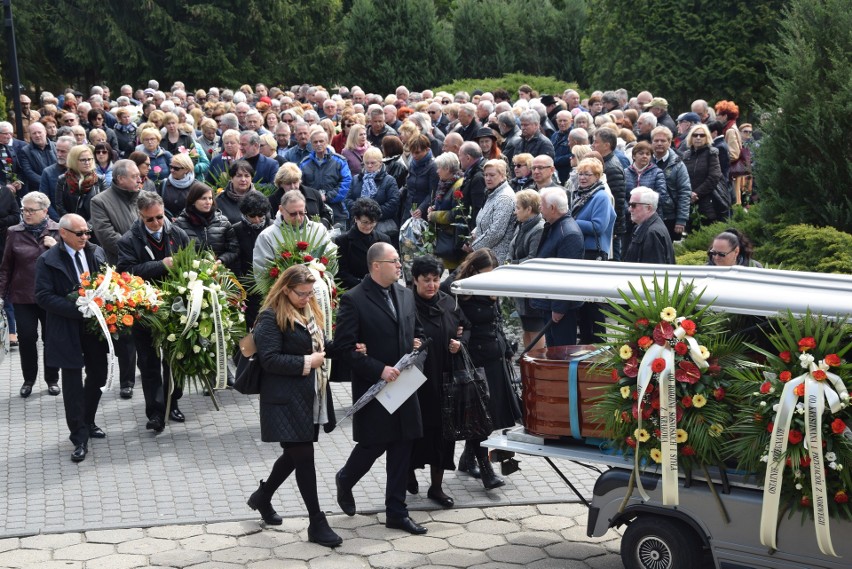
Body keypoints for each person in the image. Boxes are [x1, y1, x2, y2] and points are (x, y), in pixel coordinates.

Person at [334, 242, 428, 535]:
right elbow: (344, 348)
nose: (400, 265)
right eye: (394, 261)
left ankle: (396, 512)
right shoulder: (354, 299)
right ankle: (346, 479)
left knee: (402, 446)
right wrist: (378, 368)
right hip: (376, 387)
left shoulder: (405, 294)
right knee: (374, 444)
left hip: (405, 386)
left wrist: (418, 346)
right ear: (376, 266)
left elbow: (420, 332)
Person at [246, 265, 343, 547]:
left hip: (307, 397)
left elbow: (320, 343)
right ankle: (317, 521)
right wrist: (307, 362)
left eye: (310, 292)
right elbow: (270, 360)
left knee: (294, 455)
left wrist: (345, 346)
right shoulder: (270, 317)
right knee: (304, 456)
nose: (307, 297)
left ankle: (262, 497)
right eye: (301, 293)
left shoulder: (306, 310)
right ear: (286, 289)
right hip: (284, 401)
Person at [35, 213, 108, 462]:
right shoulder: (48, 260)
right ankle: (78, 436)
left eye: (88, 232)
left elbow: (108, 281)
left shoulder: (96, 252)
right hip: (67, 328)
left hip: (94, 327)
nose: (85, 237)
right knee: (73, 382)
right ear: (63, 233)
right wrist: (78, 308)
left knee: (99, 373)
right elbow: (43, 296)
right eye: (80, 234)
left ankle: (87, 420)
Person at [442, 249, 517, 489]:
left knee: (487, 415)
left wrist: (506, 347)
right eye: (487, 274)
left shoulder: (490, 289)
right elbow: (448, 313)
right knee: (479, 415)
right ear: (474, 270)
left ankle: (467, 458)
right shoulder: (458, 289)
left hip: (494, 359)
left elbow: (498, 321)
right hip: (474, 360)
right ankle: (485, 470)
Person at [117, 191, 191, 432]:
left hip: (175, 306)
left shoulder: (177, 233)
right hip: (144, 309)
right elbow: (126, 271)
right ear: (140, 216)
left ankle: (173, 403)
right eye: (150, 219)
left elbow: (191, 262)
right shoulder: (129, 240)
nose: (157, 223)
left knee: (175, 359)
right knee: (149, 363)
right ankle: (156, 413)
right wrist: (160, 266)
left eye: (160, 217)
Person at [408, 255, 470, 508]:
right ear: (415, 280)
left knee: (444, 437)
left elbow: (466, 327)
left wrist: (460, 342)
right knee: (413, 433)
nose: (432, 285)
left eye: (436, 280)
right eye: (426, 280)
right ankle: (406, 474)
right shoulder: (406, 305)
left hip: (445, 381)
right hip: (416, 383)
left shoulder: (449, 303)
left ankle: (436, 486)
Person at [89, 159, 143, 399]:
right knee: (126, 330)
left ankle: (150, 370)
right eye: (134, 176)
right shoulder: (100, 201)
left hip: (148, 269)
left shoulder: (144, 194)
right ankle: (127, 380)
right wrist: (137, 250)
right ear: (120, 179)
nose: (139, 179)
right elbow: (106, 236)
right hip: (121, 273)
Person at [0, 192, 60, 398]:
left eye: (31, 210)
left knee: (51, 338)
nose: (26, 213)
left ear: (45, 211)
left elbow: (72, 261)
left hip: (51, 296)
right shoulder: (14, 232)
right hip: (22, 295)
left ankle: (52, 379)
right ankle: (29, 379)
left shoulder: (58, 230)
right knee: (26, 338)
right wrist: (1, 295)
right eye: (24, 209)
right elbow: (6, 267)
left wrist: (57, 247)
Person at [530, 187, 584, 346]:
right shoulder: (556, 226)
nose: (539, 208)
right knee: (553, 350)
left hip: (560, 308)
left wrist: (559, 308)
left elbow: (568, 276)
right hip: (550, 301)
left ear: (552, 208)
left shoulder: (569, 233)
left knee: (562, 352)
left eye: (542, 205)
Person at [253, 190, 332, 278]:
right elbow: (261, 271)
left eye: (302, 213)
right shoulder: (267, 236)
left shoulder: (319, 230)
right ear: (281, 210)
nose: (298, 218)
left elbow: (331, 260)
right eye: (293, 214)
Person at [509, 189, 545, 351]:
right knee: (526, 327)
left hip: (532, 287)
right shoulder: (522, 225)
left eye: (517, 208)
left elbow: (533, 259)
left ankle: (536, 364)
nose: (515, 211)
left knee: (535, 328)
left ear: (528, 209)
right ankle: (527, 361)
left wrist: (512, 265)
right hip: (520, 284)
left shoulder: (538, 228)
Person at [174, 182, 239, 272]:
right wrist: (197, 262)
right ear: (193, 200)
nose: (208, 202)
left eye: (210, 198)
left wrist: (221, 260)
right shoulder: (180, 224)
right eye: (203, 198)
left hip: (219, 273)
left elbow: (234, 249)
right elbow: (176, 254)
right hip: (191, 275)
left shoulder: (223, 222)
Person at [232, 190, 271, 328]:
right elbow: (235, 259)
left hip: (271, 282)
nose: (257, 220)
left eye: (260, 215)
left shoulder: (272, 227)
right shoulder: (236, 230)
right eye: (252, 216)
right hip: (248, 285)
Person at [299, 126, 352, 226]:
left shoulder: (340, 161)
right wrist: (315, 198)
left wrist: (327, 197)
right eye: (315, 142)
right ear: (311, 144)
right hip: (313, 212)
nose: (318, 144)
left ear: (327, 142)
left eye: (321, 141)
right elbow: (301, 186)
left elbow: (346, 184)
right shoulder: (304, 164)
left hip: (337, 211)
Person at [335, 198, 392, 289]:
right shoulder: (343, 241)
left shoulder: (384, 239)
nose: (368, 226)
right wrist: (363, 285)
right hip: (354, 290)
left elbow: (391, 266)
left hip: (380, 289)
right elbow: (341, 273)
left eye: (372, 222)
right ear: (356, 219)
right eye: (365, 222)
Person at [466, 159, 515, 262]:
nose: (488, 178)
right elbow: (483, 220)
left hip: (497, 258)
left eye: (492, 175)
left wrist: (473, 247)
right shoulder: (492, 192)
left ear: (502, 176)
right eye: (486, 175)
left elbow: (496, 232)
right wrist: (471, 237)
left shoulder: (504, 198)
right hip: (486, 253)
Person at [345, 148, 400, 239]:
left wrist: (371, 215)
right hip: (358, 226)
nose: (369, 166)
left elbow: (393, 204)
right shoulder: (356, 179)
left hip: (381, 227)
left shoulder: (389, 180)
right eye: (367, 163)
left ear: (380, 163)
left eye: (373, 163)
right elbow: (347, 199)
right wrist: (361, 213)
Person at [650, 127, 691, 242]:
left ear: (669, 142)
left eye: (663, 141)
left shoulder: (678, 164)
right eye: (656, 140)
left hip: (670, 216)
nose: (659, 143)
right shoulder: (645, 160)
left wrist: (681, 220)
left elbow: (684, 192)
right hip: (648, 214)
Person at [682, 124, 722, 228]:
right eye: (695, 135)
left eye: (702, 135)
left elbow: (714, 176)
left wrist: (696, 193)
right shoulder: (686, 155)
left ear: (707, 137)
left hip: (707, 200)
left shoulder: (712, 153)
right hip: (688, 201)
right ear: (691, 137)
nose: (698, 137)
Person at [268, 163, 332, 227]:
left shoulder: (314, 194)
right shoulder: (272, 201)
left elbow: (326, 215)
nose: (292, 187)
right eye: (288, 183)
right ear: (280, 184)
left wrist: (319, 226)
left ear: (299, 181)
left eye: (295, 182)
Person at [623, 187, 675, 264]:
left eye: (633, 205)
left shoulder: (653, 233)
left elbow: (653, 271)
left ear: (648, 208)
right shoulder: (643, 227)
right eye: (629, 204)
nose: (630, 209)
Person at [55, 145, 106, 222]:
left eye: (89, 159)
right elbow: (60, 206)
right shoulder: (63, 180)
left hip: (95, 226)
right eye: (83, 160)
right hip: (71, 226)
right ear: (74, 161)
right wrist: (74, 224)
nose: (87, 163)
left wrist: (89, 225)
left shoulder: (99, 180)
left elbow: (103, 206)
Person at [403, 134, 438, 221]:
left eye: (417, 152)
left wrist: (422, 208)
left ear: (427, 150)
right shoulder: (413, 163)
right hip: (408, 208)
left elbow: (433, 193)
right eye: (412, 152)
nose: (414, 156)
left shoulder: (433, 167)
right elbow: (408, 185)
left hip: (423, 212)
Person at [159, 152, 197, 221]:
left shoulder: (196, 186)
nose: (172, 170)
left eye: (176, 168)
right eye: (171, 167)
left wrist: (184, 219)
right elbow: (158, 205)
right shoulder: (163, 184)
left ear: (186, 169)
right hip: (167, 225)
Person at [216, 159, 256, 225]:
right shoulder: (220, 201)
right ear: (231, 178)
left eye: (247, 176)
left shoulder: (259, 199)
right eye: (239, 176)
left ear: (251, 178)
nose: (243, 179)